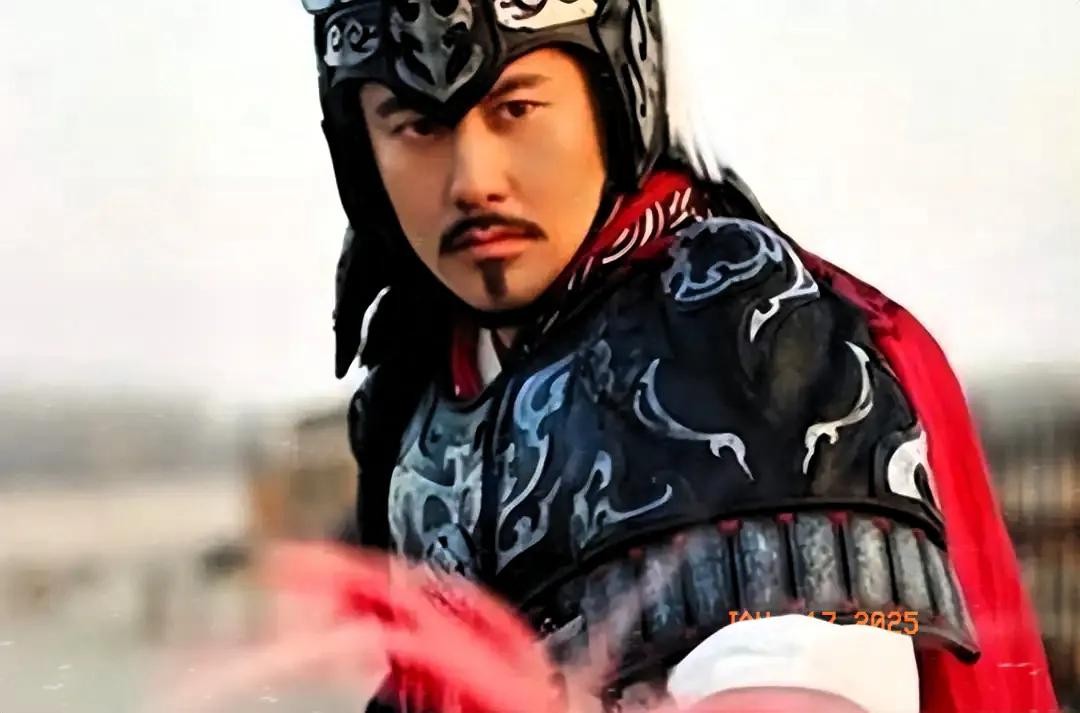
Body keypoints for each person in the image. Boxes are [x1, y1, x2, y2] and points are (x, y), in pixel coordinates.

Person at [299, 1, 1058, 711]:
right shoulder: (422, 384)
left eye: (516, 109)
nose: (473, 182)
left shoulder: (746, 337)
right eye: (417, 127)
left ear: (614, 94)